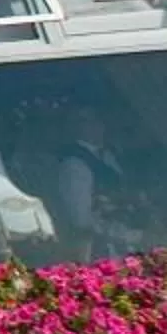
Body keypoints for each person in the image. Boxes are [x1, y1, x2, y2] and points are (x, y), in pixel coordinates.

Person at [54, 110, 138, 258]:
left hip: (125, 242)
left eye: (99, 121)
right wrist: (124, 235)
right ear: (76, 126)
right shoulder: (74, 164)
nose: (98, 126)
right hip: (98, 249)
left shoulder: (109, 155)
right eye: (89, 121)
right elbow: (80, 218)